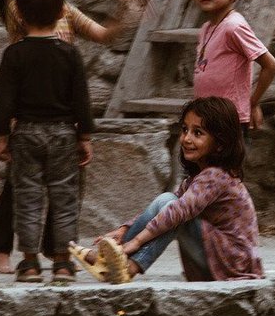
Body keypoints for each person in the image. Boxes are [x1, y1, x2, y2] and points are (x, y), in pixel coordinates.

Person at [0, 0, 146, 274]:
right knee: (26, 191)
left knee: (55, 193)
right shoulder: (19, 4)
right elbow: (81, 96)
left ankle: (50, 255)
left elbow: (103, 35)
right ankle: (19, 253)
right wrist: (84, 134)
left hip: (41, 122)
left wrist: (124, 14)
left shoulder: (62, 10)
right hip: (42, 119)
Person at [69, 96, 263, 284]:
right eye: (185, 130)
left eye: (198, 133)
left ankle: (128, 266)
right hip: (219, 259)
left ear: (220, 144)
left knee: (171, 207)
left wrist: (136, 242)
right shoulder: (198, 178)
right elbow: (164, 209)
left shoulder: (216, 176)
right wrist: (124, 229)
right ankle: (111, 259)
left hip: (234, 263)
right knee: (169, 201)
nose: (186, 138)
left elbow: (175, 211)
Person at [0, 0, 94, 283]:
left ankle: (31, 263)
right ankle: (62, 263)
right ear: (63, 11)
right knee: (64, 198)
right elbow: (81, 99)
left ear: (18, 13)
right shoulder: (70, 54)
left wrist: (1, 139)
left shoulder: (14, 54)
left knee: (28, 197)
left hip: (26, 135)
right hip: (63, 133)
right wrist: (85, 136)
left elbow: (4, 101)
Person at [190, 0, 275, 131]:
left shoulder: (234, 26)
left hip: (230, 121)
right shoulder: (206, 29)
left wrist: (252, 103)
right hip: (206, 119)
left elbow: (271, 65)